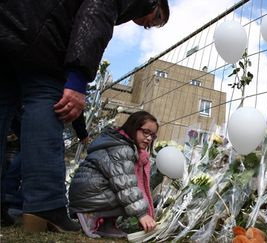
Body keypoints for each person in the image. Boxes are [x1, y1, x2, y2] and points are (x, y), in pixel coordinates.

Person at [0, 0, 170, 233]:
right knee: (44, 99)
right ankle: (44, 203)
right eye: (157, 18)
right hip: (40, 34)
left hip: (11, 20)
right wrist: (79, 78)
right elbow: (95, 14)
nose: (149, 26)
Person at [68, 111, 162, 238]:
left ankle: (106, 224)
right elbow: (125, 184)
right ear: (133, 127)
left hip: (87, 192)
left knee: (130, 194)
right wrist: (142, 214)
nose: (149, 138)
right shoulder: (122, 149)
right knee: (129, 194)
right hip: (88, 196)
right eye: (146, 132)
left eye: (153, 135)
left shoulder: (121, 144)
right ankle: (89, 214)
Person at [1, 111, 90, 227]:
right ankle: (30, 206)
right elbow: (75, 102)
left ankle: (8, 199)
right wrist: (82, 132)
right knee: (44, 149)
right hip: (42, 112)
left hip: (21, 110)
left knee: (30, 149)